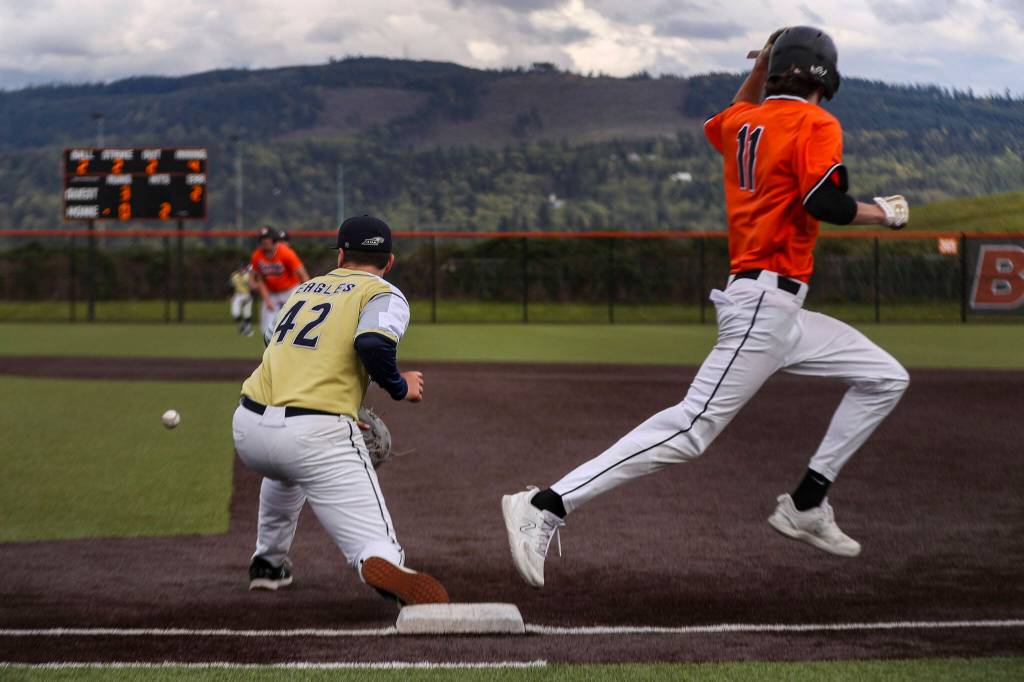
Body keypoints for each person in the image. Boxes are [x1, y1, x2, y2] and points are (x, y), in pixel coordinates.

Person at [501, 26, 911, 589]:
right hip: (765, 304)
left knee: (885, 377)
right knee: (691, 430)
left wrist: (758, 69)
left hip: (780, 309)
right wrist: (884, 213)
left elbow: (729, 117)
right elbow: (825, 202)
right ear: (826, 78)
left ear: (774, 72)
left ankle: (807, 504)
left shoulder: (744, 121)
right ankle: (546, 504)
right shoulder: (816, 122)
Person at [233, 215, 448, 605]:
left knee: (285, 473)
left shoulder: (305, 289)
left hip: (249, 427)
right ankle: (381, 561)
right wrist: (399, 386)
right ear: (390, 261)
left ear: (341, 255)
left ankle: (268, 564)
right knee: (374, 542)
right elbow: (372, 342)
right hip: (314, 435)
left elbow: (272, 341)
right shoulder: (383, 293)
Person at [249, 226, 310, 342]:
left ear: (274, 239)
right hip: (271, 292)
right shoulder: (257, 256)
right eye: (261, 238)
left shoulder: (286, 253)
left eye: (267, 238)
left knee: (296, 323)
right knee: (266, 329)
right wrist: (267, 300)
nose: (263, 241)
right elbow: (260, 280)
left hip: (290, 290)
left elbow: (303, 275)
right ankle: (269, 357)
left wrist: (307, 295)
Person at [229, 261, 254, 336]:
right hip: (237, 295)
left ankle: (248, 329)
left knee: (247, 313)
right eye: (239, 268)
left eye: (242, 268)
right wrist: (231, 296)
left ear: (244, 268)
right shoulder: (234, 276)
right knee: (235, 313)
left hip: (247, 295)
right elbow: (231, 287)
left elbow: (252, 287)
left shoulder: (248, 276)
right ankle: (243, 326)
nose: (241, 269)